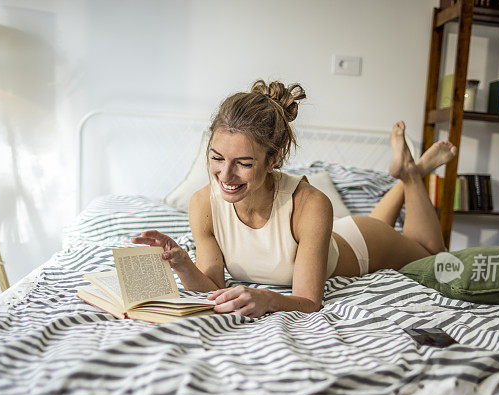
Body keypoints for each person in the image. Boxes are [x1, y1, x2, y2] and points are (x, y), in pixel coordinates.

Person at [133, 80, 456, 318]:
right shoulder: (203, 203)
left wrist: (268, 299)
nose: (226, 176)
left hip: (362, 244)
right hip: (324, 236)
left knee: (434, 255)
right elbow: (212, 288)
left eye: (244, 163)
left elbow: (309, 302)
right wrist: (181, 263)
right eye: (217, 158)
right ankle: (406, 175)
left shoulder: (311, 203)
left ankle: (412, 175)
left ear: (273, 160)